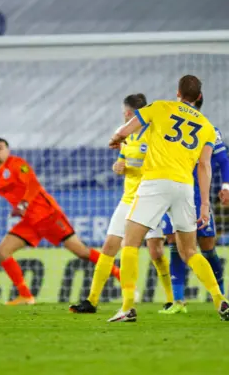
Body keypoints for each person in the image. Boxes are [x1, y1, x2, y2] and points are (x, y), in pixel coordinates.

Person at [106, 75, 229, 322]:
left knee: (130, 243)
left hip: (155, 182)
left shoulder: (160, 107)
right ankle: (219, 298)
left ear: (178, 92)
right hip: (185, 188)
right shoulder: (207, 126)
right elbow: (205, 166)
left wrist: (117, 138)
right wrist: (205, 205)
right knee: (189, 250)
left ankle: (127, 307)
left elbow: (125, 130)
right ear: (198, 97)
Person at [0, 138, 120, 305]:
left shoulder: (17, 164)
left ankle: (120, 275)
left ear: (7, 151)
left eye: (0, 148)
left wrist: (23, 203)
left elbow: (33, 184)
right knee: (2, 251)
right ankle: (25, 296)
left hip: (48, 215)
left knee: (82, 252)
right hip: (29, 221)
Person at [70, 94, 174, 314]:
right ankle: (92, 301)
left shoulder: (155, 133)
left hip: (149, 200)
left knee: (155, 251)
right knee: (109, 247)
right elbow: (124, 158)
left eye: (124, 112)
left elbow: (160, 167)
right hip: (128, 199)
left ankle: (170, 299)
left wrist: (132, 169)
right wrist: (119, 165)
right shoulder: (125, 133)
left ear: (129, 113)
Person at [159, 93, 229, 314]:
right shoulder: (170, 126)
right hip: (174, 191)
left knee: (207, 246)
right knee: (174, 243)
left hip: (197, 195)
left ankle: (221, 297)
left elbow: (223, 161)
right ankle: (178, 301)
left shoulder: (209, 129)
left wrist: (226, 185)